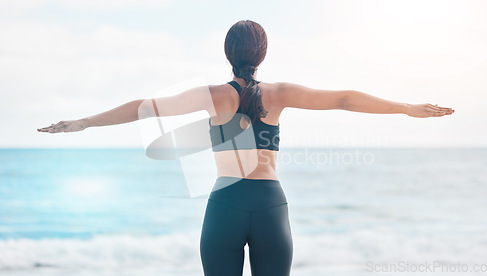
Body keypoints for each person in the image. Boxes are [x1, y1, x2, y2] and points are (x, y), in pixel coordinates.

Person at [38, 20, 454, 276]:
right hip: (271, 205)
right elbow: (344, 98)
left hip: (225, 206)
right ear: (263, 53)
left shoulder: (212, 95)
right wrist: (405, 108)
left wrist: (84, 122)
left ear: (228, 54)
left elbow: (144, 109)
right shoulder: (282, 93)